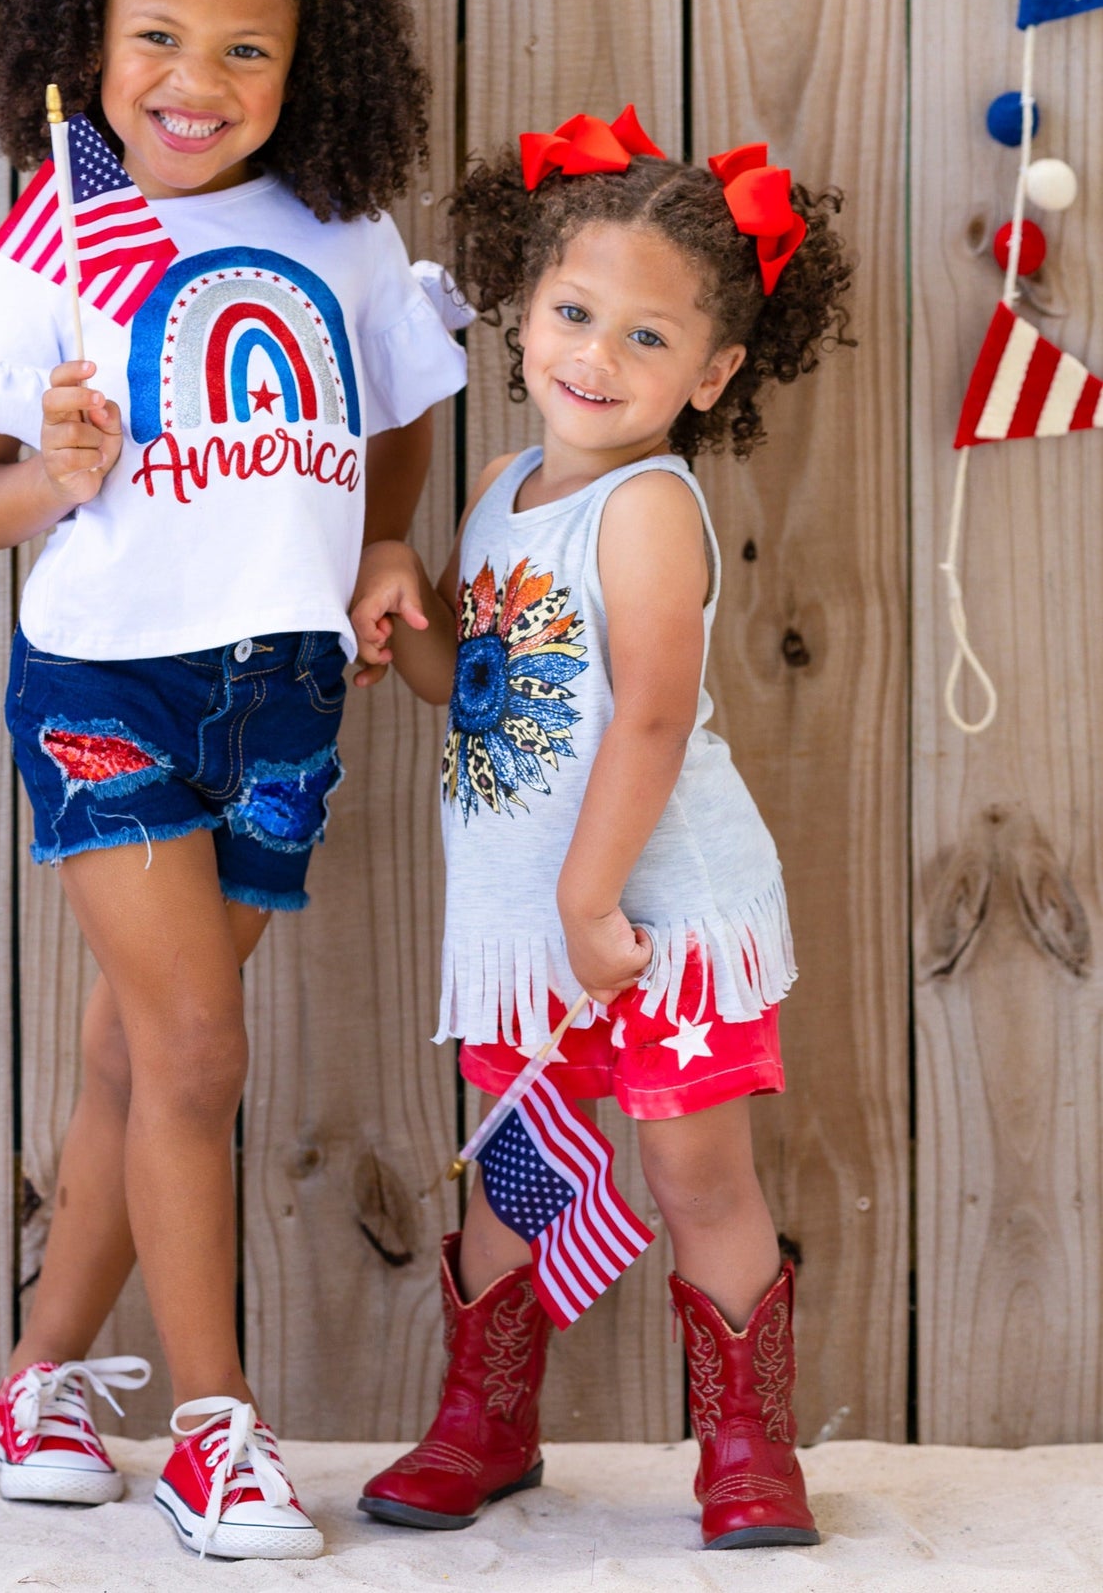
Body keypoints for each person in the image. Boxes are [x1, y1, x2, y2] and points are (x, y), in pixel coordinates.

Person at [0, 0, 467, 1562]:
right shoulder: (56, 239)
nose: (193, 82)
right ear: (87, 32)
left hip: (279, 699)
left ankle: (38, 1380)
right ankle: (220, 1429)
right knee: (200, 1050)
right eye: (156, 37)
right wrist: (49, 480)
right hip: (110, 693)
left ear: (308, 65)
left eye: (243, 50)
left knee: (134, 1062)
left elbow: (399, 408)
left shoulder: (341, 234)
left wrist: (384, 544)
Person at [349, 109, 852, 1550]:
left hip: (655, 916)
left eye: (648, 337)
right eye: (574, 314)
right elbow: (475, 682)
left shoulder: (645, 508)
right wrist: (399, 599)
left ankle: (746, 1447)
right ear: (522, 313)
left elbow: (648, 718)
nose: (597, 356)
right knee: (519, 1170)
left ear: (714, 372)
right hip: (536, 923)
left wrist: (589, 904)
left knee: (698, 1173)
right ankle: (488, 1421)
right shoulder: (503, 493)